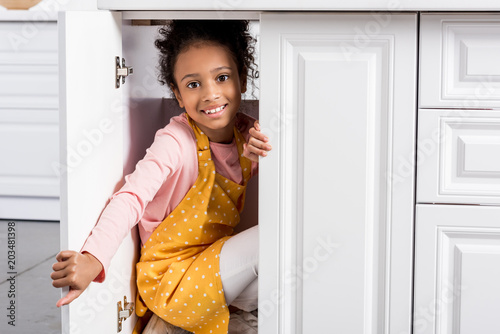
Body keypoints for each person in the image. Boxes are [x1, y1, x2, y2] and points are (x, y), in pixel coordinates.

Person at [50, 20, 271, 334]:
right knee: (274, 236)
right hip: (171, 279)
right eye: (193, 84)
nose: (210, 94)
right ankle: (172, 320)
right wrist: (93, 258)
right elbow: (130, 198)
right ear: (178, 95)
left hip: (210, 269)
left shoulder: (247, 133)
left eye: (222, 78)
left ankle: (215, 320)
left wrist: (270, 157)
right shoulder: (176, 141)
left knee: (290, 258)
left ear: (243, 81)